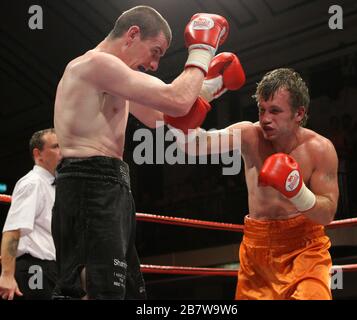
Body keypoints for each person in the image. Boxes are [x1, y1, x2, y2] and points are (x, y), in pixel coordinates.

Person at [52, 5, 229, 299]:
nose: (154, 64)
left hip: (110, 187)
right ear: (133, 34)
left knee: (128, 292)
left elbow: (165, 117)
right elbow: (177, 100)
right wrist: (202, 49)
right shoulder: (96, 65)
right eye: (156, 51)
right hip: (89, 186)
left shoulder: (115, 80)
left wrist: (212, 87)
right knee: (95, 291)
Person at [167, 68, 339, 300]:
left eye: (275, 111)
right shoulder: (249, 136)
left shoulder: (320, 149)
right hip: (257, 251)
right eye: (261, 110)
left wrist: (299, 193)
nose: (265, 119)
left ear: (299, 113)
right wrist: (191, 104)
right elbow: (193, 145)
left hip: (305, 249)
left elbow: (327, 214)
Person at [0, 128, 61, 300]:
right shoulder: (33, 183)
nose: (62, 152)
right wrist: (6, 275)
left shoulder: (54, 186)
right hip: (36, 269)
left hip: (52, 270)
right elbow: (13, 229)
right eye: (56, 146)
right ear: (38, 153)